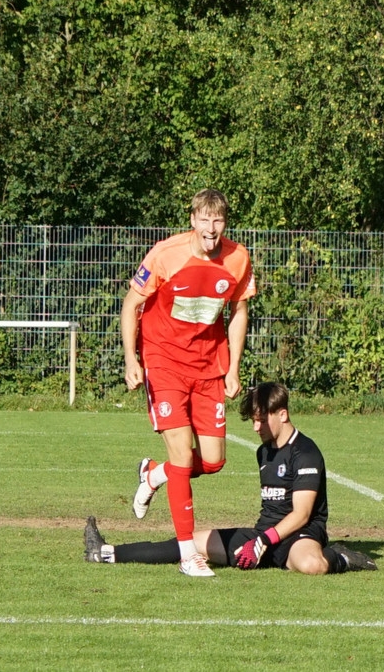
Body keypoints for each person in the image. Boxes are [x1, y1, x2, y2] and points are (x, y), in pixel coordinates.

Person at [84, 382, 377, 574]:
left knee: (311, 565)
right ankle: (106, 552)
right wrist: (259, 540)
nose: (256, 428)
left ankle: (340, 557)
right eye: (254, 420)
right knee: (190, 544)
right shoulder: (264, 451)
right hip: (262, 536)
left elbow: (301, 515)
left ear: (283, 414)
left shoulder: (306, 452)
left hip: (299, 536)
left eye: (261, 420)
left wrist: (263, 541)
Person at [120, 188, 256, 577]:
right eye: (205, 219)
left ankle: (154, 474)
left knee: (213, 461)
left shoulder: (238, 258)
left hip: (209, 367)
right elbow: (131, 304)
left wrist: (233, 368)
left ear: (225, 223)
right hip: (164, 361)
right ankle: (187, 555)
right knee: (182, 456)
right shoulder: (166, 254)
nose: (211, 228)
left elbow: (239, 311)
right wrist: (131, 358)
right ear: (193, 220)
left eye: (218, 220)